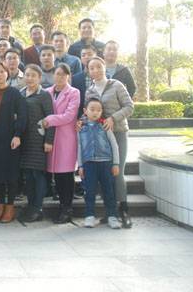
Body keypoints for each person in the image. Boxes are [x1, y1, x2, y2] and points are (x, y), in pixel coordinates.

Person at [85, 56, 134, 228]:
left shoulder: (116, 85)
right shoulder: (90, 91)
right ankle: (110, 212)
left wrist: (113, 118)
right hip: (99, 138)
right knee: (104, 174)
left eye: (98, 66)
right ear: (88, 71)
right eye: (92, 68)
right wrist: (81, 122)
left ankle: (124, 210)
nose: (96, 70)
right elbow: (88, 112)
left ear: (104, 67)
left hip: (118, 132)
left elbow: (129, 107)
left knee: (117, 171)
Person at [0, 61, 27, 223]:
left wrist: (17, 135)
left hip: (11, 139)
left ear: (7, 74)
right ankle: (0, 206)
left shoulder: (15, 93)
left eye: (2, 71)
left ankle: (10, 207)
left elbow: (22, 115)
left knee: (11, 174)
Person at [42, 64, 80, 224]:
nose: (60, 77)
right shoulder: (46, 92)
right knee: (56, 175)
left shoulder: (74, 92)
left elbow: (69, 116)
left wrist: (49, 119)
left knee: (66, 175)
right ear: (53, 75)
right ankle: (61, 207)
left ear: (68, 76)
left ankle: (67, 209)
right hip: (50, 139)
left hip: (66, 139)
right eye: (57, 74)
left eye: (63, 74)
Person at [78, 98, 121, 229]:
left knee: (108, 190)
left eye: (98, 110)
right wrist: (80, 165)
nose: (95, 112)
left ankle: (112, 216)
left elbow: (114, 145)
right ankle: (89, 216)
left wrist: (116, 163)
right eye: (92, 109)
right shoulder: (81, 128)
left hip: (106, 163)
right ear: (85, 111)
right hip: (89, 164)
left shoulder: (105, 126)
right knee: (89, 191)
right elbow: (79, 147)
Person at [19, 64, 55, 223]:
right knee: (28, 175)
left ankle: (38, 207)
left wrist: (49, 140)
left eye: (33, 75)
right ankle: (30, 205)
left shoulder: (44, 95)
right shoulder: (21, 93)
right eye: (27, 75)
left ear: (39, 78)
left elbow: (50, 119)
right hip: (24, 141)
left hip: (39, 140)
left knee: (38, 174)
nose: (30, 78)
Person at [72, 44, 97, 112]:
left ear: (95, 56)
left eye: (89, 54)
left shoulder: (105, 77)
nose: (86, 57)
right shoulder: (75, 78)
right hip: (81, 114)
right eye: (83, 55)